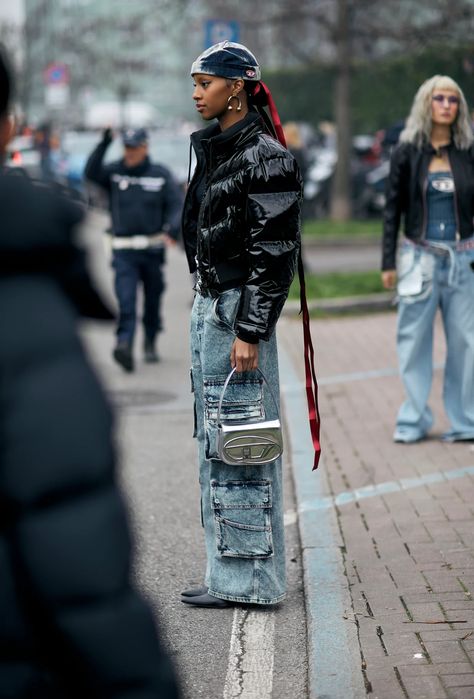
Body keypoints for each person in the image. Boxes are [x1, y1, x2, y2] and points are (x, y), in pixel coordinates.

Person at [0, 48, 181, 699]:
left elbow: (172, 207)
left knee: (148, 306)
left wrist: (168, 234)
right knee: (128, 311)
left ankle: (145, 335)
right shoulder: (26, 314)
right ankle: (133, 337)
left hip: (149, 261)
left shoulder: (159, 172)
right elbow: (78, 566)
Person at [180, 41, 302, 608]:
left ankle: (251, 583)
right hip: (211, 306)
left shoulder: (267, 156)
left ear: (237, 87)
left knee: (243, 442)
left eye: (206, 82)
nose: (198, 92)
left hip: (235, 314)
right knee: (218, 440)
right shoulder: (218, 150)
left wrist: (251, 330)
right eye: (196, 82)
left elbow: (274, 255)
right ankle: (227, 575)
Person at [382, 75, 474, 443]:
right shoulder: (407, 151)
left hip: (464, 258)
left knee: (467, 342)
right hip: (416, 257)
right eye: (440, 99)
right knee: (413, 340)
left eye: (454, 100)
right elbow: (392, 209)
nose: (447, 106)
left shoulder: (468, 150)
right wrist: (387, 261)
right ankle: (413, 420)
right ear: (427, 103)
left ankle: (465, 420)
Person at [85, 126, 183, 372]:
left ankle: (150, 340)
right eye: (126, 147)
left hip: (152, 250)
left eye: (133, 148)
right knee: (126, 300)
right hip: (124, 251)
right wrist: (104, 142)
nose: (129, 153)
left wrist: (172, 228)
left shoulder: (160, 174)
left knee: (152, 300)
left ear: (145, 147)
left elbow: (176, 206)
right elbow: (91, 173)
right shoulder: (115, 172)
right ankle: (124, 344)